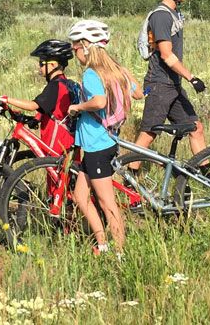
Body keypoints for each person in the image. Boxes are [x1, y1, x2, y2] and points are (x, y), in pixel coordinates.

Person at [67, 20, 140, 255]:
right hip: (100, 143)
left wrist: (78, 107)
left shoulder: (91, 73)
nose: (74, 53)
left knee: (107, 203)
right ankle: (103, 244)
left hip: (98, 145)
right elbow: (137, 93)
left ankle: (119, 253)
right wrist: (127, 75)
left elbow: (99, 102)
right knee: (80, 196)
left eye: (75, 48)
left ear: (86, 46)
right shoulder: (115, 70)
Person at [134, 0, 208, 160]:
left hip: (173, 85)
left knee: (196, 128)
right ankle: (128, 180)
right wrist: (192, 78)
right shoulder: (161, 16)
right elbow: (166, 55)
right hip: (159, 84)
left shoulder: (174, 14)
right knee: (148, 135)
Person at [0, 39, 75, 154]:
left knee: (56, 171)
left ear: (53, 65)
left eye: (42, 63)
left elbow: (32, 105)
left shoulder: (55, 85)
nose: (39, 67)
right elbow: (51, 108)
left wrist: (6, 99)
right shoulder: (64, 82)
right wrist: (35, 119)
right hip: (65, 141)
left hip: (57, 143)